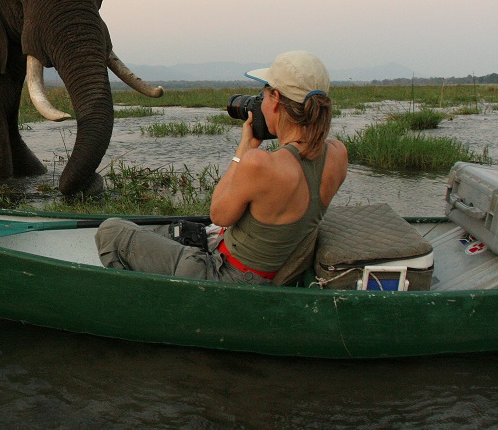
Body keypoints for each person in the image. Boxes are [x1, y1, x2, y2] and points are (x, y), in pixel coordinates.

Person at [95, 50, 348, 284]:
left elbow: (219, 214)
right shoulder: (337, 155)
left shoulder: (261, 164)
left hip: (223, 275)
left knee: (111, 231)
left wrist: (244, 148)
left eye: (264, 94)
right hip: (269, 272)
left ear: (275, 99)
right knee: (166, 231)